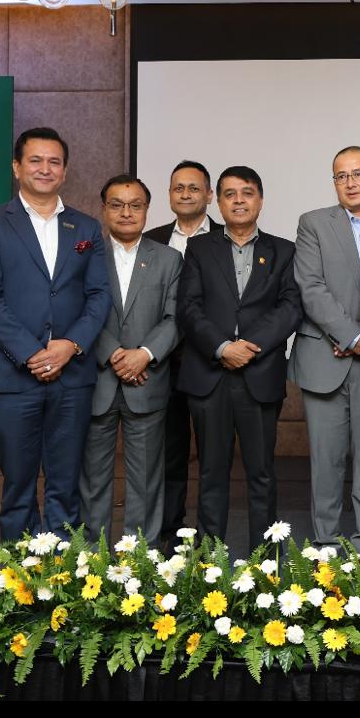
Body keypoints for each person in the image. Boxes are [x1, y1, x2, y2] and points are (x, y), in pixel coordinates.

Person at [0, 127, 110, 540]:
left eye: (54, 162)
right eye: (35, 160)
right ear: (16, 167)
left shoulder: (85, 228)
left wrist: (70, 346)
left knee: (66, 479)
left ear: (64, 170)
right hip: (14, 375)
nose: (45, 169)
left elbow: (99, 295)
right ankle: (19, 560)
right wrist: (32, 353)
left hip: (72, 374)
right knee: (17, 481)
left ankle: (64, 562)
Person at [176, 166, 301, 550]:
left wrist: (248, 345)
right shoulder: (199, 249)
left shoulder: (283, 251)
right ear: (218, 201)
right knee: (211, 473)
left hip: (259, 376)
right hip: (209, 376)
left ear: (260, 200)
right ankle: (209, 563)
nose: (239, 201)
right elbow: (188, 307)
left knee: (261, 474)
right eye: (229, 194)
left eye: (247, 193)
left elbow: (290, 307)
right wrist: (222, 347)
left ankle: (264, 562)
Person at [290, 146, 360, 552]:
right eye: (341, 176)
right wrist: (352, 336)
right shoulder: (313, 223)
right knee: (326, 463)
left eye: (358, 173)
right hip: (324, 357)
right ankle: (325, 547)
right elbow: (311, 287)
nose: (350, 182)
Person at [79, 174, 181, 545]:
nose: (126, 212)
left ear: (147, 209)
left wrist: (144, 355)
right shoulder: (85, 254)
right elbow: (78, 309)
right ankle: (93, 556)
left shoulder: (169, 258)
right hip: (97, 380)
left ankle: (141, 555)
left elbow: (175, 317)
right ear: (104, 209)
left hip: (148, 381)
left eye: (135, 205)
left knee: (146, 479)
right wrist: (114, 354)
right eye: (117, 205)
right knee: (93, 478)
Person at [145, 160, 213, 541]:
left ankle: (210, 540)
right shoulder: (150, 239)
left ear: (209, 195)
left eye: (194, 187)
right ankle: (169, 535)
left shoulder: (227, 237)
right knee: (168, 455)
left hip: (210, 366)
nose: (185, 194)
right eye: (178, 188)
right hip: (163, 366)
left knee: (212, 458)